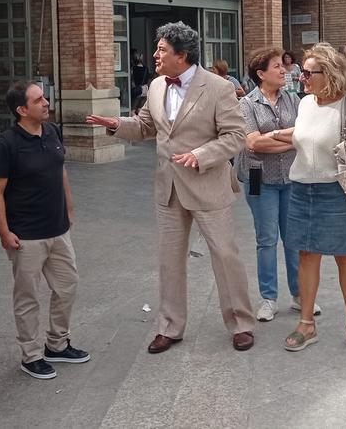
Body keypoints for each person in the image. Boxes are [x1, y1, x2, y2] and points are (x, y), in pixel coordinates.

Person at [85, 21, 256, 353]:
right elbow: (147, 126)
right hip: (168, 187)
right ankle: (170, 326)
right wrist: (118, 124)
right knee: (169, 260)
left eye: (162, 49)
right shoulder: (157, 85)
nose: (155, 55)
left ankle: (241, 323)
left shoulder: (219, 88)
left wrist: (201, 154)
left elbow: (235, 137)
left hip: (208, 184)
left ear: (183, 55)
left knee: (224, 255)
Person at [278, 43, 346, 353]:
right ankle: (307, 324)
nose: (302, 77)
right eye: (303, 72)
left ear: (330, 74)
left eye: (309, 72)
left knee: (345, 256)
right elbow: (302, 138)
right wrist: (271, 136)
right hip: (301, 190)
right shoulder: (305, 104)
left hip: (338, 191)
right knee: (306, 256)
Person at [0, 81, 89, 379]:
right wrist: (4, 232)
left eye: (44, 97)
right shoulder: (8, 143)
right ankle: (30, 355)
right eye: (38, 100)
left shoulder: (52, 131)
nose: (46, 102)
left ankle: (57, 344)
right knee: (27, 297)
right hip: (26, 235)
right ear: (22, 110)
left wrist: (69, 207)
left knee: (67, 286)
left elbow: (61, 170)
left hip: (58, 229)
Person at [236, 48, 322, 323]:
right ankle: (268, 298)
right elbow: (252, 143)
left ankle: (299, 295)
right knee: (266, 239)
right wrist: (288, 141)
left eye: (282, 66)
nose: (284, 70)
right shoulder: (247, 104)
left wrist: (272, 139)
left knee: (293, 238)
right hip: (258, 176)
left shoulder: (294, 99)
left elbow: (305, 134)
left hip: (291, 177)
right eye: (276, 66)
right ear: (261, 74)